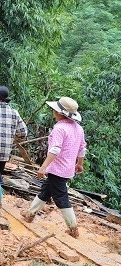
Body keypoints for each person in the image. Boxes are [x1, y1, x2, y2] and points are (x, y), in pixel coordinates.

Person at [22, 97, 85, 237]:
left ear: (58, 112)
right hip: (67, 169)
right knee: (46, 191)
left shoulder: (59, 128)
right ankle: (30, 214)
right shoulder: (78, 128)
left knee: (61, 198)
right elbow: (82, 148)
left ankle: (73, 228)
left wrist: (43, 166)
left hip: (57, 168)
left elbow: (55, 150)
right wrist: (80, 164)